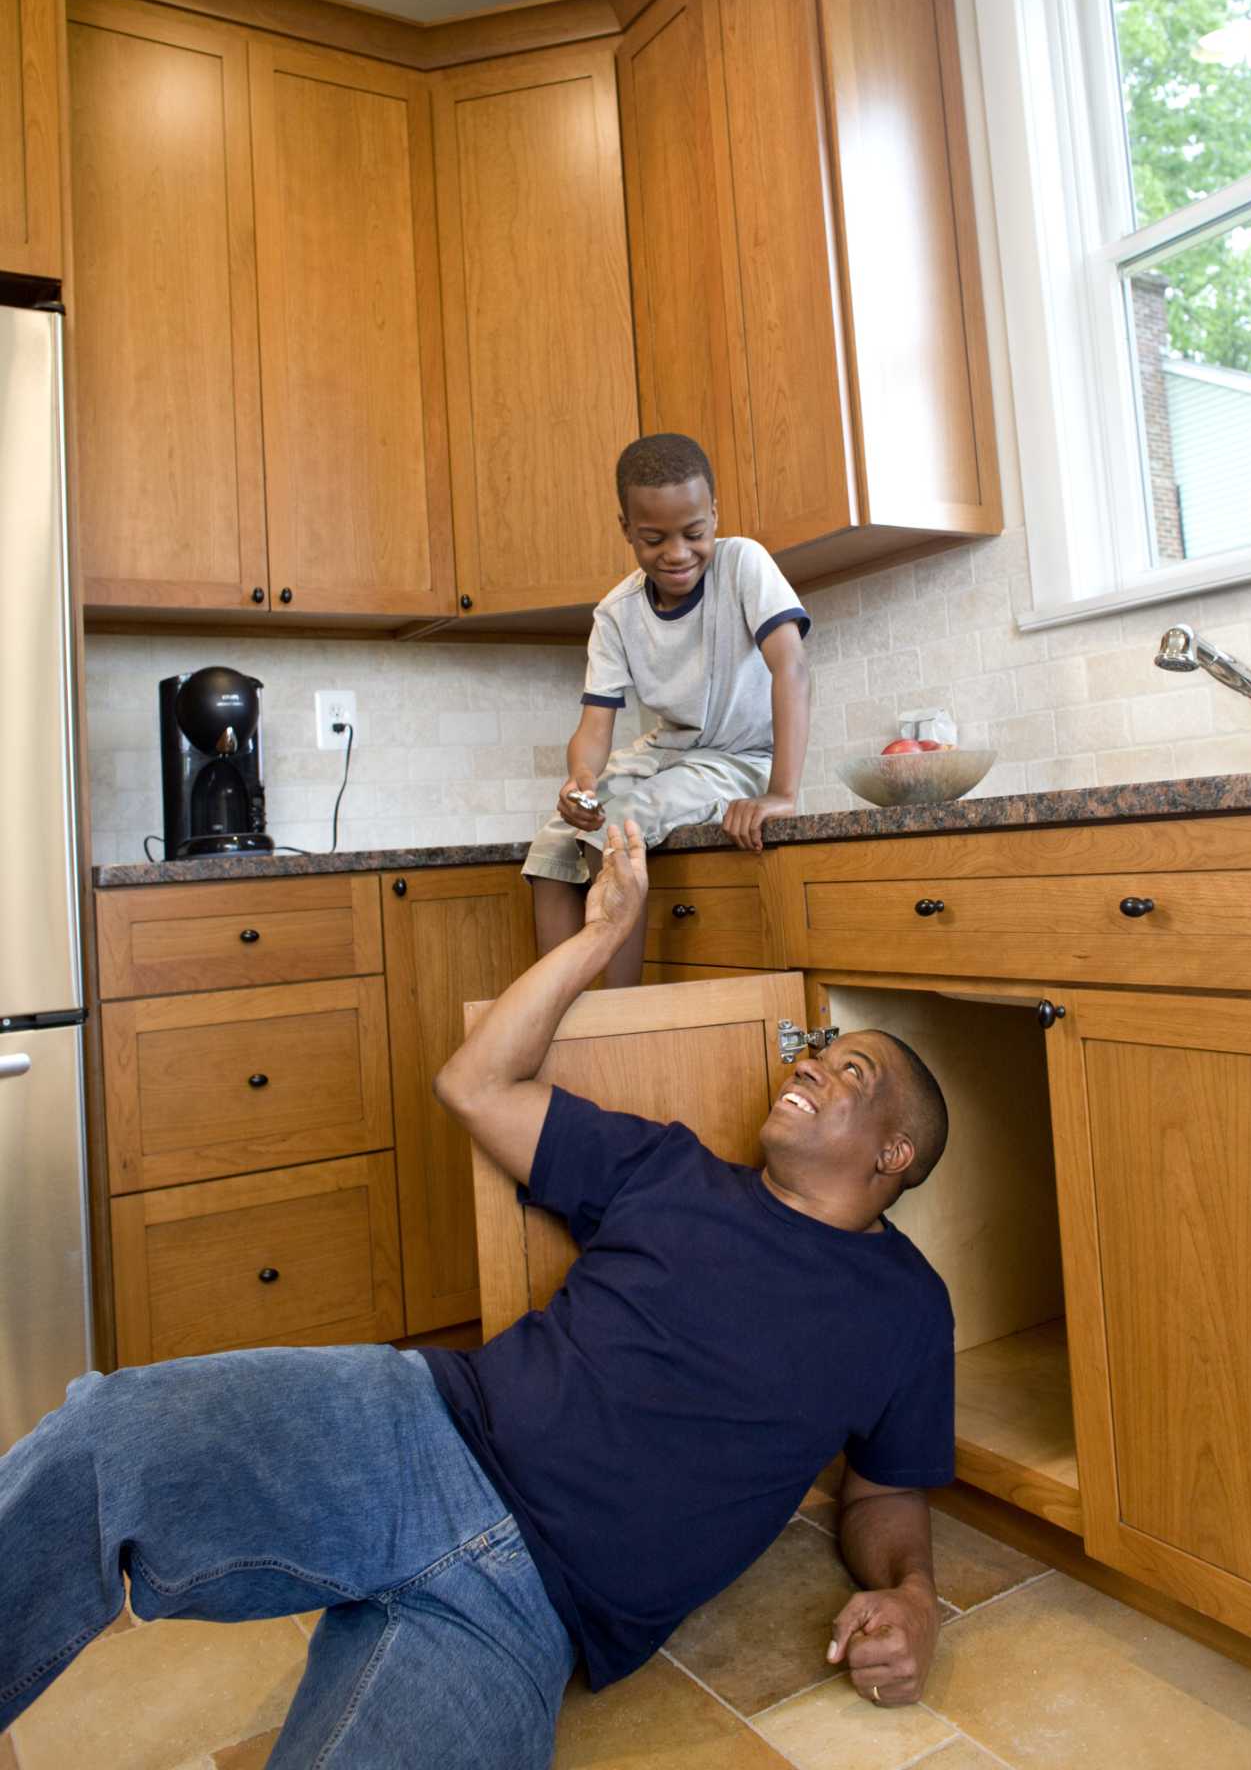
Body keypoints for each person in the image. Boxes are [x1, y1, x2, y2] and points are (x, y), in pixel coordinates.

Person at [0, 824, 953, 1769]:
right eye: (816, 1052)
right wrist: (596, 936)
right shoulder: (669, 1170)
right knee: (109, 1440)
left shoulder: (908, 1309)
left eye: (849, 1070)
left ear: (892, 1154)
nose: (811, 1065)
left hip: (528, 1619)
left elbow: (885, 1493)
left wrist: (913, 1598)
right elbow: (474, 1083)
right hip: (414, 1435)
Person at [523, 430, 812, 985]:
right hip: (669, 753)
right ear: (626, 529)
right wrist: (580, 780)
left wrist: (780, 793)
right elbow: (594, 725)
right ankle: (558, 1017)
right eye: (654, 538)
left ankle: (622, 1019)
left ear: (714, 515)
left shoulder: (744, 564)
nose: (677, 553)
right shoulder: (616, 612)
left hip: (741, 756)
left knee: (618, 830)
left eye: (694, 533)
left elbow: (791, 668)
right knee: (555, 843)